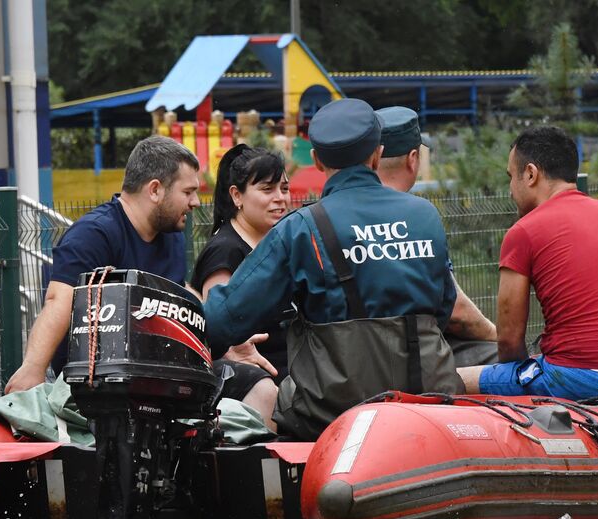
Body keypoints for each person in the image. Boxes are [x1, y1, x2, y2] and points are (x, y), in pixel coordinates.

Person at [205, 97, 494, 439]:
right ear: (376, 153)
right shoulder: (424, 215)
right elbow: (443, 310)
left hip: (333, 413)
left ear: (316, 159)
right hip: (426, 397)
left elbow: (222, 320)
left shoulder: (300, 228)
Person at [456, 126, 598, 405]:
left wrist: (517, 378)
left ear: (530, 174)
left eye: (510, 177)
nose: (509, 189)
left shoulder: (524, 231)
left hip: (574, 382)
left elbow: (508, 340)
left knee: (457, 378)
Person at [4, 136, 202, 394]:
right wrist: (33, 369)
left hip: (164, 372)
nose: (196, 202)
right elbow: (59, 300)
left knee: (246, 381)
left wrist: (221, 339)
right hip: (100, 384)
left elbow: (180, 294)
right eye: (188, 192)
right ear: (154, 190)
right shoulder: (93, 234)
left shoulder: (172, 236)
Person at [376, 106, 499, 366]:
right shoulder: (419, 217)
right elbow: (457, 312)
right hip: (417, 358)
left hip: (353, 360)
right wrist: (497, 337)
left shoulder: (333, 216)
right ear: (412, 159)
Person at [190, 143, 294, 427]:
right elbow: (220, 333)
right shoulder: (225, 251)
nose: (280, 199)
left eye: (283, 189)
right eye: (267, 189)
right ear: (237, 196)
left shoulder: (279, 243)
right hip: (259, 379)